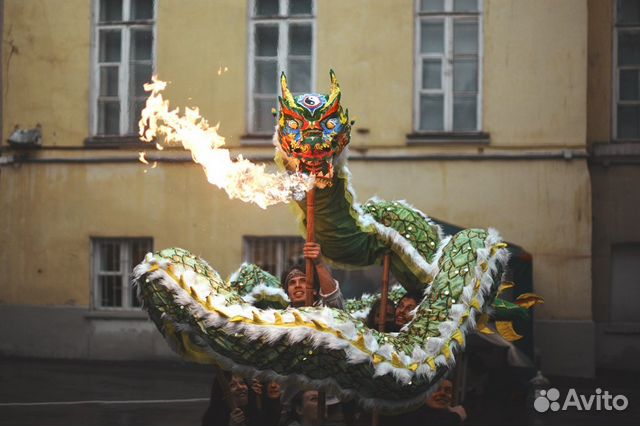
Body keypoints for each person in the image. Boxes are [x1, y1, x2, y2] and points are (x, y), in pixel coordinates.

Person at [281, 242, 344, 309]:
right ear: (287, 293)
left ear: (314, 290)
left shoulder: (325, 312)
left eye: (303, 281)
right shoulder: (279, 317)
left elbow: (333, 299)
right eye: (292, 283)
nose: (297, 285)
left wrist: (319, 263)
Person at [380, 378, 467, 425]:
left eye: (447, 390)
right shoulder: (410, 414)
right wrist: (456, 416)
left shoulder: (444, 414)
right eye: (436, 389)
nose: (442, 394)